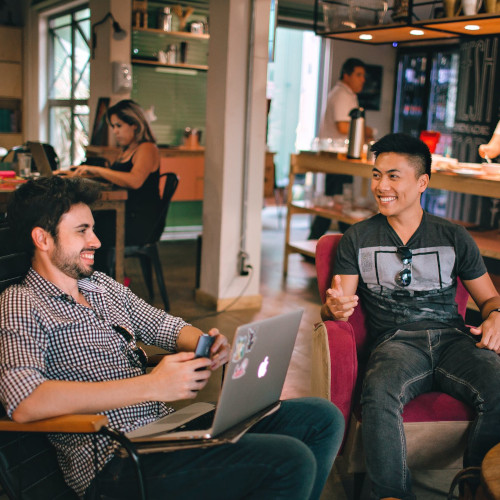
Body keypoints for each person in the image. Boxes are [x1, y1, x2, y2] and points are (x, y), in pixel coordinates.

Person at [0, 176, 345, 500]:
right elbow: (25, 401)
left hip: (165, 429)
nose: (96, 241)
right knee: (289, 460)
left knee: (321, 418)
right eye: (82, 231)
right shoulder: (21, 301)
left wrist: (206, 344)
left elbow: (165, 325)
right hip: (114, 460)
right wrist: (152, 385)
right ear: (42, 238)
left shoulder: (101, 286)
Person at [321, 133, 500, 500]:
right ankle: (391, 495)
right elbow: (340, 301)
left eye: (392, 176)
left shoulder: (453, 236)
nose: (380, 186)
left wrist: (496, 314)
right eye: (375, 175)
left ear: (422, 183)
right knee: (379, 391)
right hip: (396, 342)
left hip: (454, 339)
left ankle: (475, 487)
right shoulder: (358, 237)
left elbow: (489, 298)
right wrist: (333, 309)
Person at [71, 99, 162, 272]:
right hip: (125, 214)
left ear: (134, 124)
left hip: (139, 221)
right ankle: (92, 281)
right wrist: (88, 173)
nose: (115, 131)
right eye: (113, 127)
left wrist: (97, 170)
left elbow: (135, 181)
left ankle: (101, 284)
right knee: (84, 225)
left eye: (118, 126)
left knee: (89, 231)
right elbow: (118, 178)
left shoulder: (147, 148)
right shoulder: (127, 150)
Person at [308, 58, 374, 242]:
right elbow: (344, 127)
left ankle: (340, 243)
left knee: (338, 203)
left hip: (342, 158)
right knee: (336, 204)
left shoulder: (347, 94)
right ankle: (319, 243)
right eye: (358, 75)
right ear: (346, 75)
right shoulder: (342, 95)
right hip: (338, 158)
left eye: (363, 76)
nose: (362, 80)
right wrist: (367, 130)